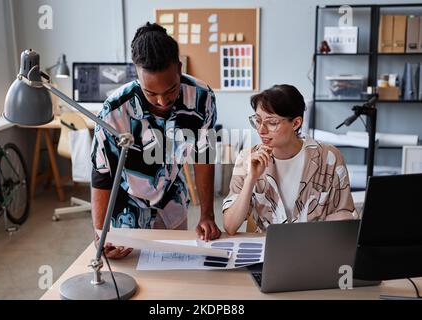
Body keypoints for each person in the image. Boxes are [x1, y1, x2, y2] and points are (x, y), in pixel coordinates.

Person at [91, 22, 221, 258]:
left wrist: (207, 215)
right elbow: (102, 175)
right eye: (151, 93)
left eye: (171, 89)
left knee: (174, 275)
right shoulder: (115, 111)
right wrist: (102, 233)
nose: (162, 101)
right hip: (127, 208)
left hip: (173, 201)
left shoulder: (202, 98)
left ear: (180, 68)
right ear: (137, 75)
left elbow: (204, 156)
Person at [223, 84, 357, 235]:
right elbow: (230, 225)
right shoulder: (247, 158)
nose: (261, 130)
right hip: (267, 250)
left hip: (316, 247)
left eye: (272, 123)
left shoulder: (329, 158)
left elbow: (345, 218)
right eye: (258, 120)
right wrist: (251, 178)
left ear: (296, 123)